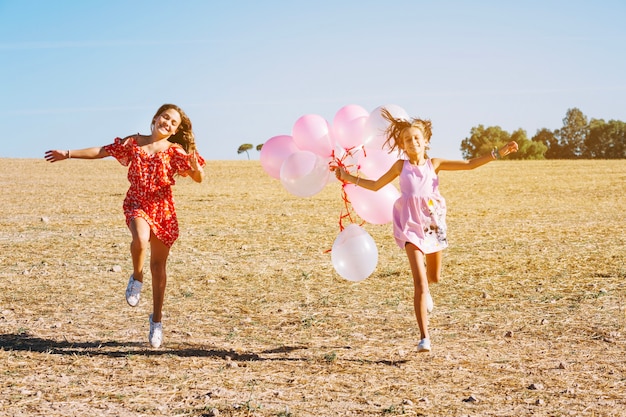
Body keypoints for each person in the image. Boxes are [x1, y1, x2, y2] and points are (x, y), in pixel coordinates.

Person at [335, 108, 518, 353]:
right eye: (408, 139)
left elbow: (470, 164)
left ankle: (428, 294)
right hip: (409, 226)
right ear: (402, 144)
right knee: (419, 283)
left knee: (434, 278)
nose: (413, 142)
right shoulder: (400, 167)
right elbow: (377, 185)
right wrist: (349, 177)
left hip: (433, 226)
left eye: (417, 138)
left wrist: (498, 153)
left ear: (426, 141)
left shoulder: (435, 164)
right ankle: (424, 337)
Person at [44, 104, 205, 348]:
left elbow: (198, 177)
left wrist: (195, 167)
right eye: (166, 117)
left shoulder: (175, 151)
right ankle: (136, 277)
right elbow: (102, 150)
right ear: (156, 117)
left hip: (163, 210)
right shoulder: (134, 142)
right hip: (137, 203)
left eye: (174, 123)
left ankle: (157, 320)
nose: (168, 123)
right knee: (140, 239)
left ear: (175, 130)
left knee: (159, 266)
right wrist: (67, 153)